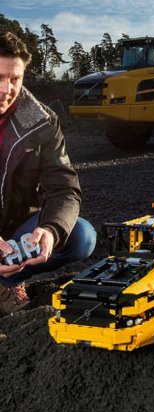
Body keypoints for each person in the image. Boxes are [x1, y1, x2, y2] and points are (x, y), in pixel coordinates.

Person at [0, 31, 96, 315]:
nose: (6, 89)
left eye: (14, 79)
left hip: (14, 228)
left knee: (81, 236)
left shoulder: (41, 122)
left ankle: (8, 279)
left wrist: (52, 230)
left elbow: (64, 188)